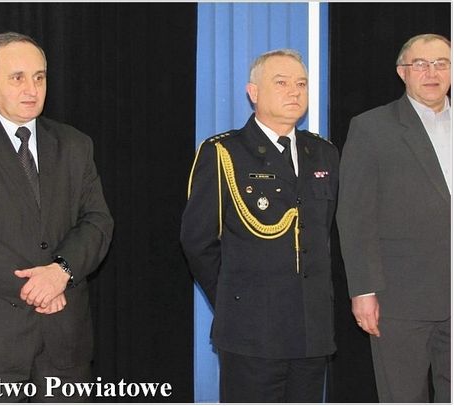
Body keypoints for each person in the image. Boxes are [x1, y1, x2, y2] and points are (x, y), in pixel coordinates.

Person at [0, 32, 114, 402]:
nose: (32, 89)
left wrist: (60, 272)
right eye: (17, 78)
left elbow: (97, 222)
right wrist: (34, 287)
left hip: (65, 344)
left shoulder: (75, 144)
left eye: (39, 77)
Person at [180, 49, 339, 402]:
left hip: (311, 332)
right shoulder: (224, 152)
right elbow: (198, 241)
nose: (294, 91)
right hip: (251, 332)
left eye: (301, 84)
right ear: (253, 92)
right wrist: (236, 298)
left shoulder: (324, 153)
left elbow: (323, 234)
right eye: (281, 83)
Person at [336, 33, 451, 402]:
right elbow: (355, 215)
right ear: (402, 72)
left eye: (441, 63)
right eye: (421, 64)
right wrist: (363, 290)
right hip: (400, 299)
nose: (432, 72)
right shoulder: (372, 128)